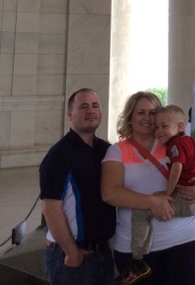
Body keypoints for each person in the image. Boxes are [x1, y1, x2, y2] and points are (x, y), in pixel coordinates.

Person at [101, 92, 195, 285]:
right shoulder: (117, 151)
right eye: (140, 112)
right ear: (130, 117)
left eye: (152, 113)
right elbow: (110, 193)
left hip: (188, 241)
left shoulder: (173, 142)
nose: (147, 118)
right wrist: (152, 202)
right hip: (135, 253)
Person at [39, 88, 116, 285]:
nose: (91, 110)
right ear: (70, 115)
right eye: (83, 106)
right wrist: (71, 251)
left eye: (95, 105)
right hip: (72, 255)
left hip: (103, 253)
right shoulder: (59, 155)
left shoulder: (106, 150)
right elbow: (50, 208)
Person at [154, 104, 195, 217]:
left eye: (164, 126)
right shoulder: (189, 140)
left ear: (180, 127)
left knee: (142, 212)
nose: (159, 131)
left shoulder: (175, 144)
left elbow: (177, 167)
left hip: (186, 200)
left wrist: (168, 193)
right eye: (156, 127)